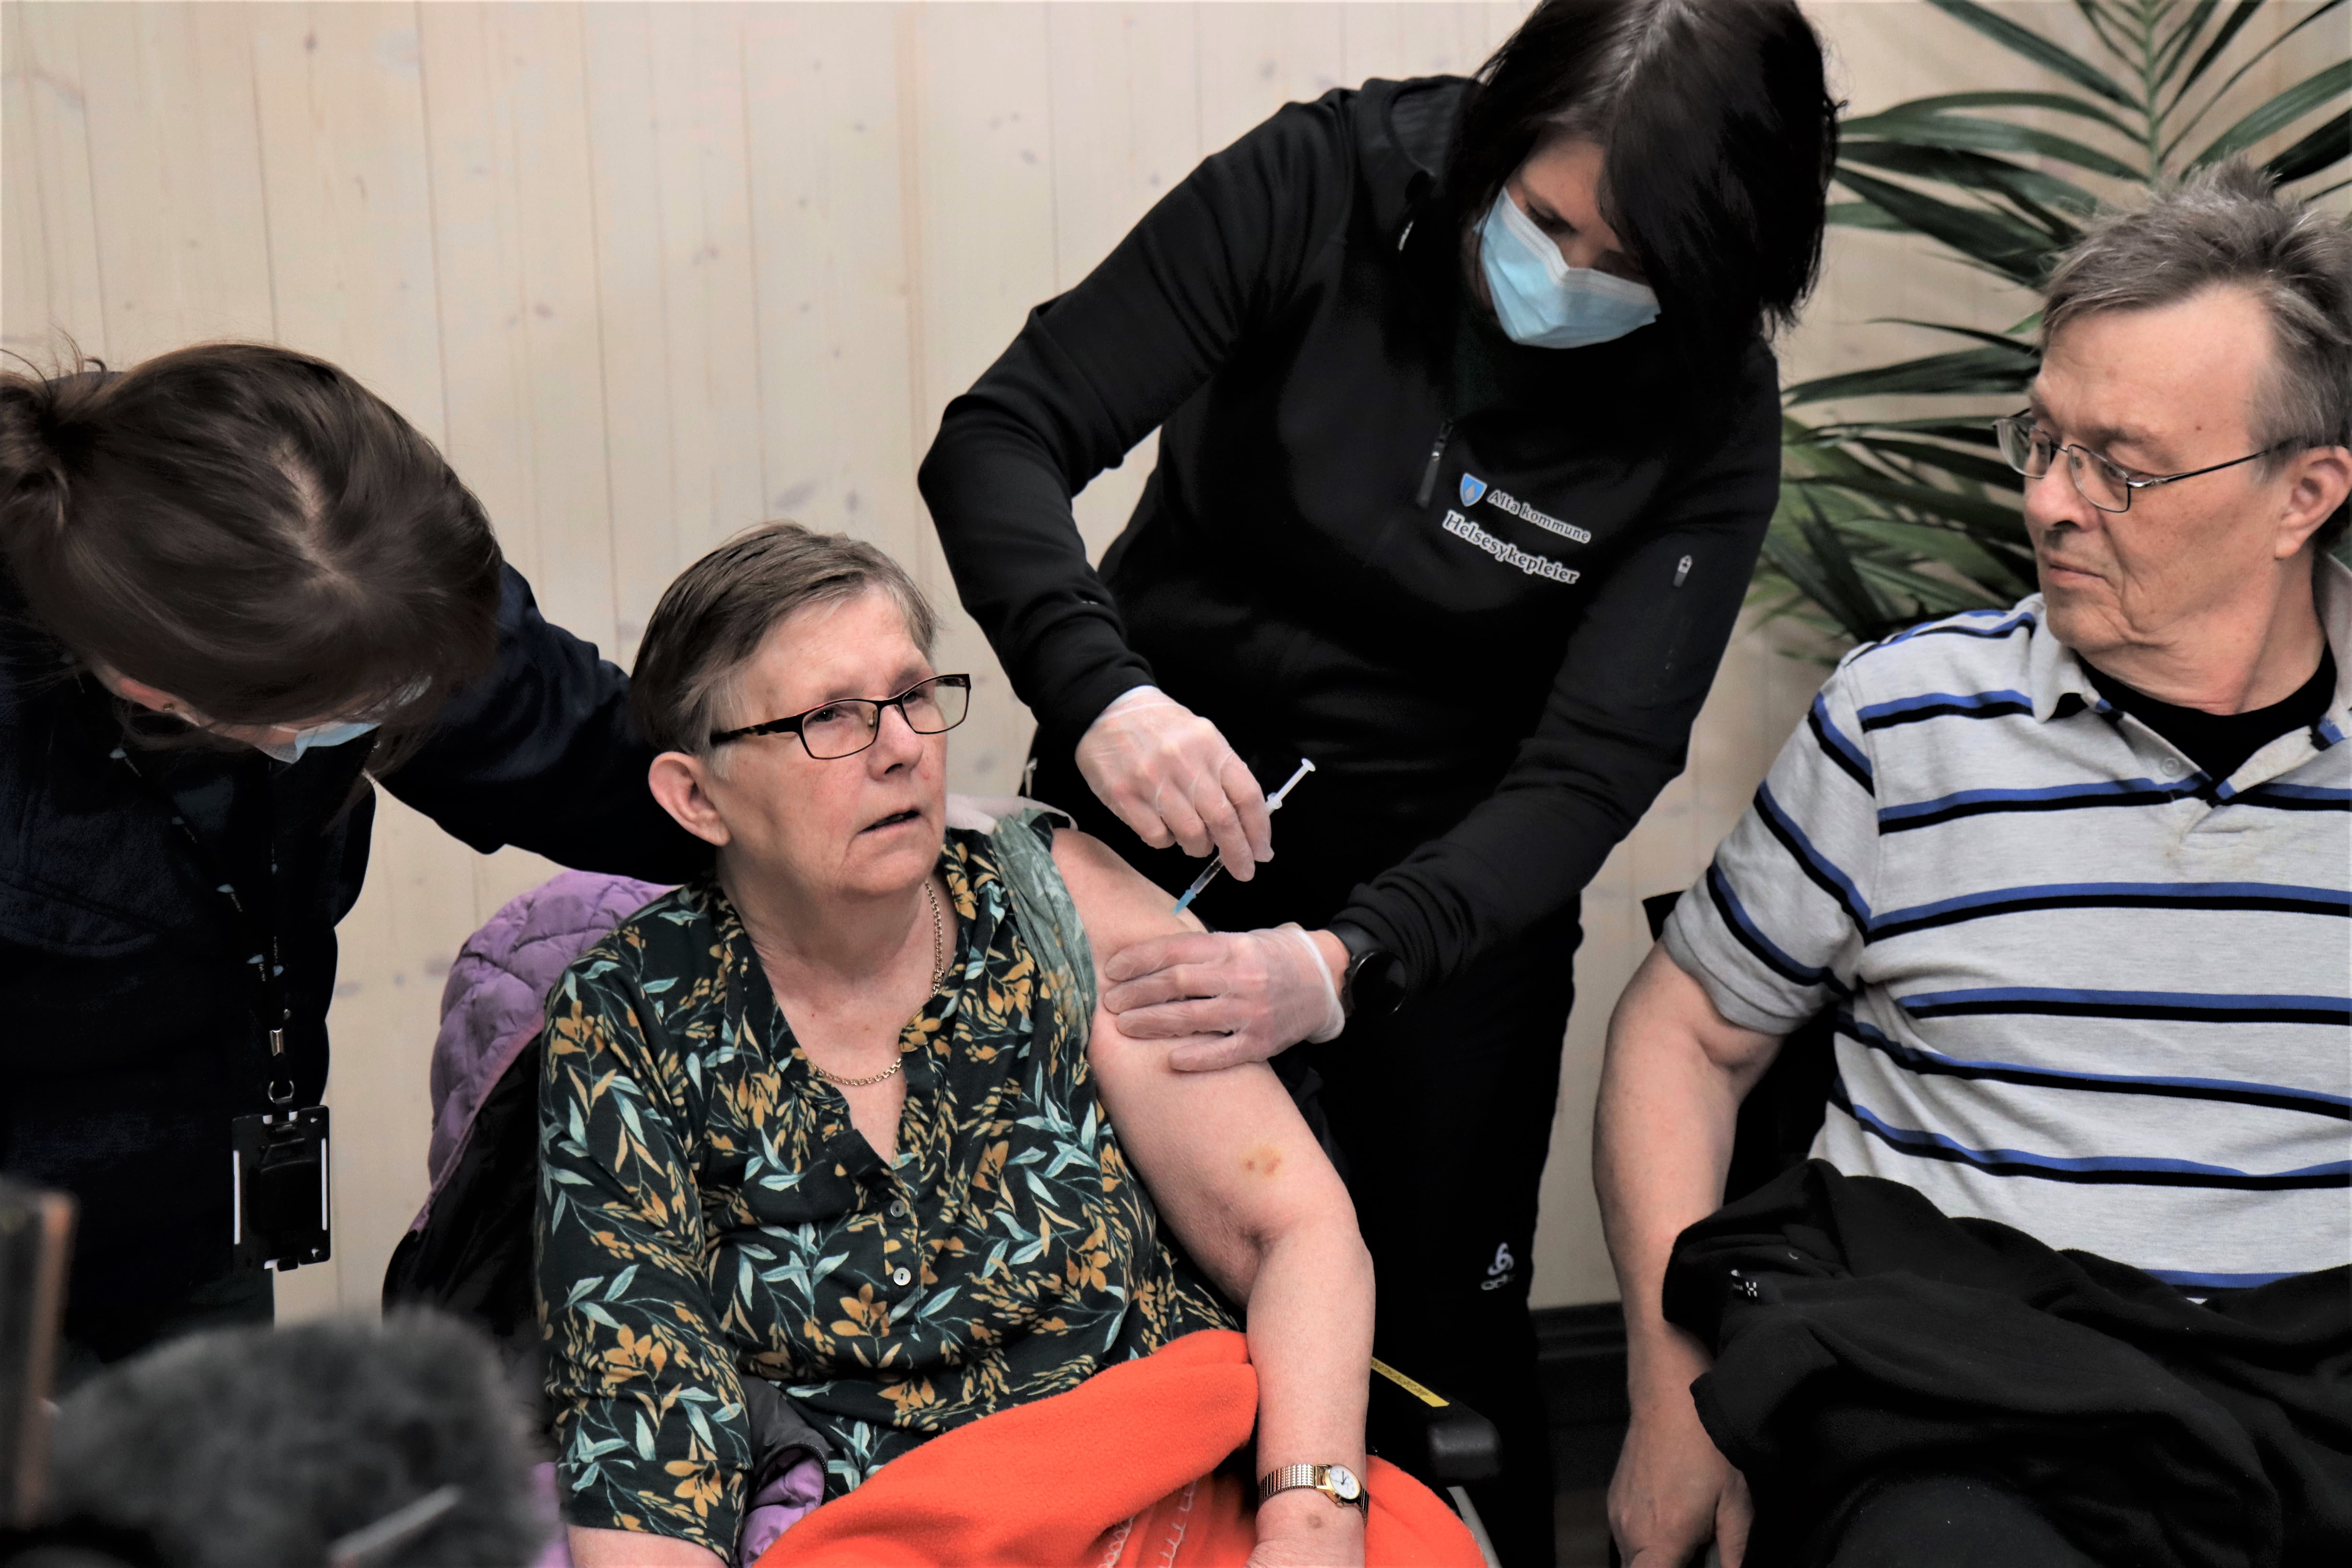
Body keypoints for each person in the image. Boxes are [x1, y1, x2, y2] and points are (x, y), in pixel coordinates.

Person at [917, 2, 1837, 1553]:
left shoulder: (1710, 404)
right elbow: (1001, 436)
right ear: (1494, 144)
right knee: (1105, 1300)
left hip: (1452, 900)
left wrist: (1353, 958)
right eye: (1546, 220)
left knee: (1439, 1345)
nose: (1569, 276)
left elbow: (1598, 761)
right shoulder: (1323, 183)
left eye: (1627, 264)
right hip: (1156, 815)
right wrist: (1103, 693)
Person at [1596, 160, 2352, 1568]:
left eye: (2119, 465)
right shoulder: (1908, 722)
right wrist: (1668, 1397)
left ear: (2302, 493)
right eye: (2042, 440)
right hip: (1956, 1409)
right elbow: (1682, 1031)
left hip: (2307, 1413)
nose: (2051, 501)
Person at [534, 523, 1422, 1568]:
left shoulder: (1056, 901)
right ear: (697, 795)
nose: (902, 747)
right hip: (897, 1533)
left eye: (915, 696)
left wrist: (1311, 1527)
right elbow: (645, 1420)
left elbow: (1292, 1229)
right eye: (830, 717)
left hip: (1180, 1481)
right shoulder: (632, 1012)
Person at [0, 343, 705, 1374]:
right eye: (359, 713)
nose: (404, 715)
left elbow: (597, 761)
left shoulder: (377, 586)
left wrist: (849, 826)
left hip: (203, 1211)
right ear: (160, 692)